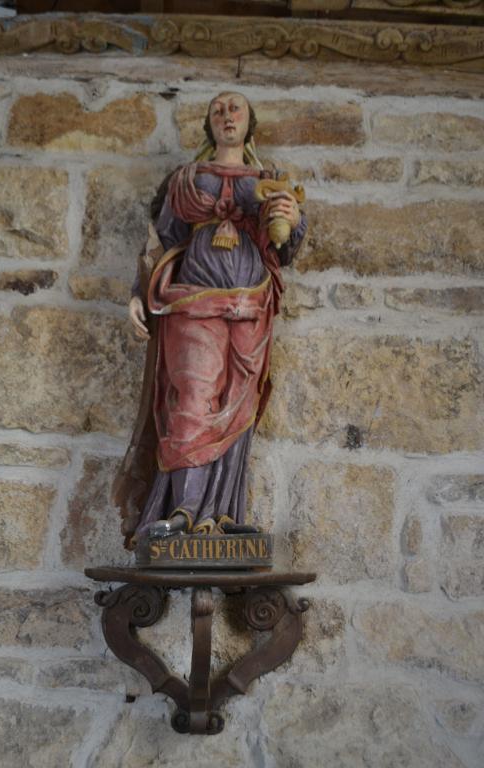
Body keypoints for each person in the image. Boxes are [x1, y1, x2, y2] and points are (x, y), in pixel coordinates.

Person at [112, 91, 307, 550]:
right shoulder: (186, 181)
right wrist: (139, 296)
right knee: (193, 394)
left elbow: (286, 247)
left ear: (249, 122)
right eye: (217, 110)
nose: (226, 115)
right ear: (209, 125)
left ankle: (219, 517)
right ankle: (182, 509)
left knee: (237, 405)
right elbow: (159, 242)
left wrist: (291, 218)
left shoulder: (270, 182)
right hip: (191, 305)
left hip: (250, 307)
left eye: (235, 108)